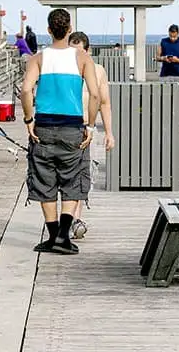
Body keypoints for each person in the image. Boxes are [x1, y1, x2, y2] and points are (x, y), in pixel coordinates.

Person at [21, 9, 100, 255]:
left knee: (45, 179)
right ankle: (65, 236)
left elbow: (25, 91)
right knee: (72, 179)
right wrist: (90, 125)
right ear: (69, 30)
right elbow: (95, 94)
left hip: (43, 125)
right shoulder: (82, 58)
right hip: (72, 126)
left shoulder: (38, 58)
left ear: (48, 30)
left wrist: (28, 119)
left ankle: (52, 235)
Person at [67, 31, 114, 240]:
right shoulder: (61, 70)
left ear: (88, 51)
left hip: (88, 128)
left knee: (85, 174)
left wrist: (109, 133)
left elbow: (105, 102)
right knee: (66, 176)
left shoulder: (98, 71)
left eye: (79, 52)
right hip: (65, 128)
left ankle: (75, 219)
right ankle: (70, 219)